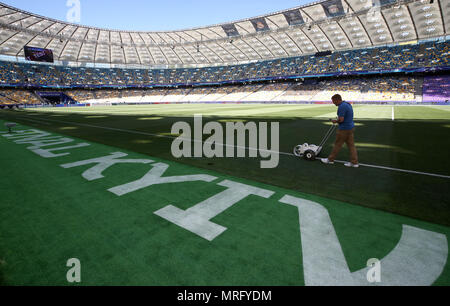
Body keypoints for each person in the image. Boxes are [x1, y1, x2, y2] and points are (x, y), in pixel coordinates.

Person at [321, 94, 359, 168]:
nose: (333, 103)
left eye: (333, 101)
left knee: (337, 144)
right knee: (351, 146)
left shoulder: (342, 106)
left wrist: (335, 121)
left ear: (337, 100)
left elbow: (341, 120)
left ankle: (330, 159)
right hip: (350, 127)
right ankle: (355, 163)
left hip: (344, 129)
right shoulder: (347, 104)